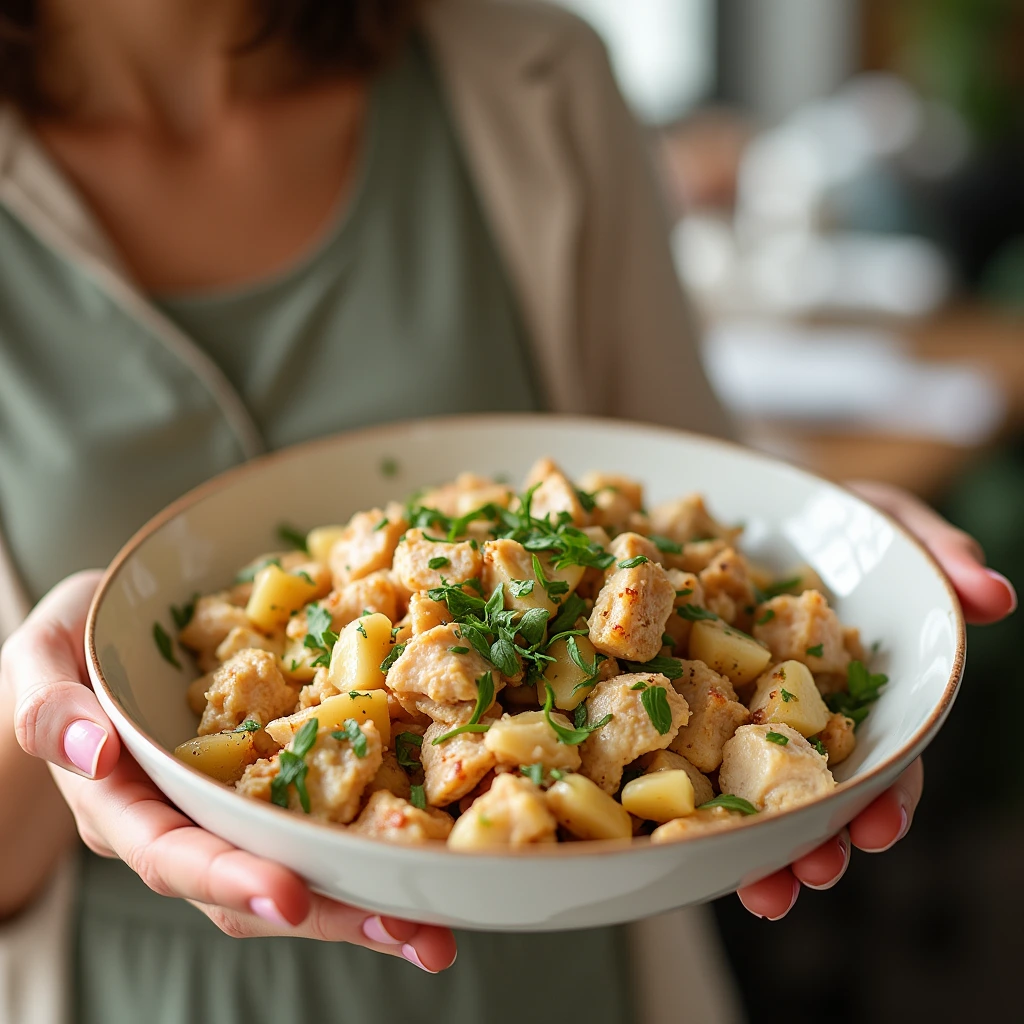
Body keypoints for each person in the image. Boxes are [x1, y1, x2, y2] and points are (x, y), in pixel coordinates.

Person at [0, 1, 1016, 1023]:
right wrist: (43, 717)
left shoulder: (541, 75)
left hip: (567, 978)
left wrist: (838, 534)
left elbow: (697, 489)